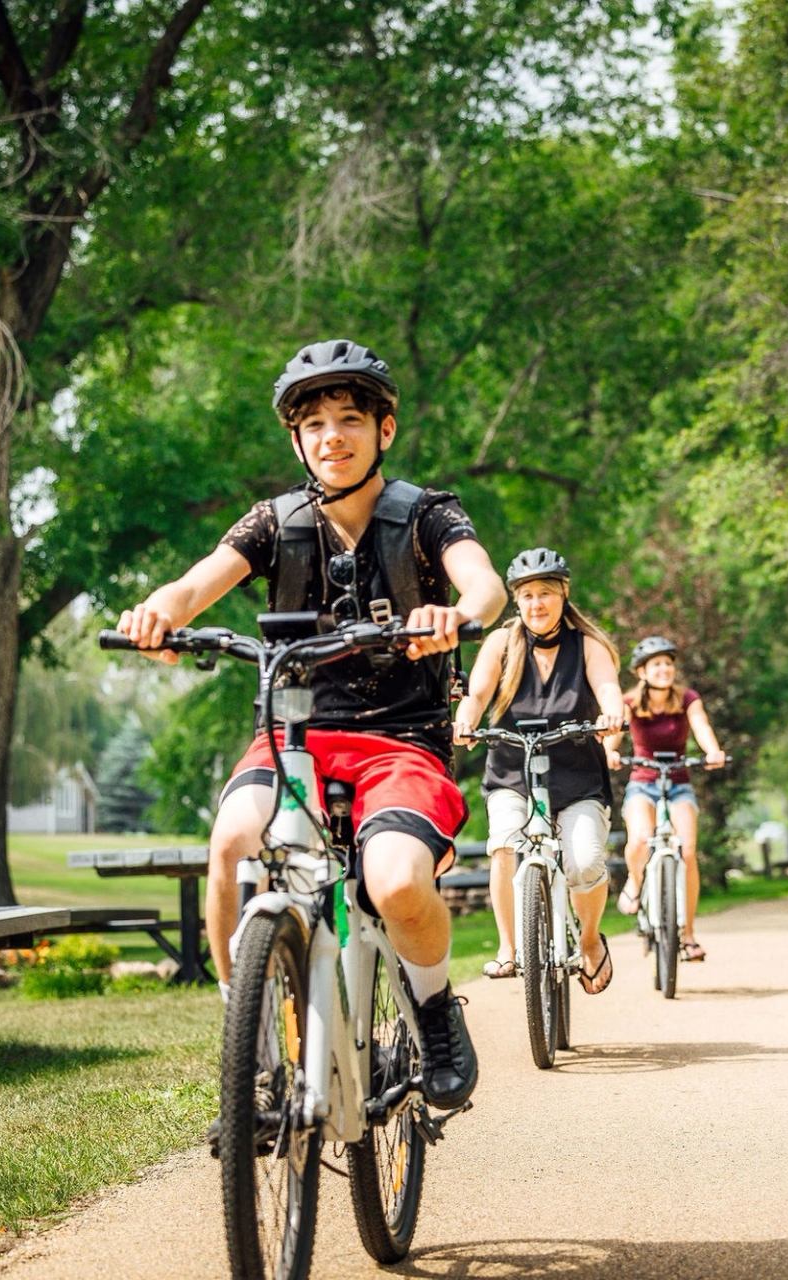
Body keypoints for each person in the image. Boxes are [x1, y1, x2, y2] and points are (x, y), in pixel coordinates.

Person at [116, 339, 505, 1108]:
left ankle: (432, 1010)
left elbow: (485, 584)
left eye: (351, 418)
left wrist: (455, 615)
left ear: (384, 430)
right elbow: (197, 583)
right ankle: (249, 1039)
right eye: (316, 423)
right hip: (293, 736)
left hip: (402, 743)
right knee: (230, 843)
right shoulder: (274, 523)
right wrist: (160, 612)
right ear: (296, 440)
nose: (333, 435)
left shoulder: (429, 514)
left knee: (394, 883)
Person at [453, 549, 626, 993]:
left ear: (563, 595)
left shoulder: (588, 645)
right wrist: (467, 720)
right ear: (516, 600)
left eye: (545, 594)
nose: (536, 604)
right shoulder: (501, 643)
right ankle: (510, 948)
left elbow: (608, 687)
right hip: (513, 770)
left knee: (584, 861)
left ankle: (588, 942)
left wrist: (611, 716)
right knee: (505, 846)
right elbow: (476, 693)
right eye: (527, 595)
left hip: (576, 775)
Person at [616, 636, 726, 961]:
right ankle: (636, 886)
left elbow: (701, 725)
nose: (664, 669)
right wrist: (610, 753)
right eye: (656, 664)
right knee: (639, 841)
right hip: (642, 782)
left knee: (688, 852)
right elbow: (616, 734)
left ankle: (688, 935)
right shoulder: (630, 703)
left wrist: (712, 751)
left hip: (678, 783)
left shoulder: (687, 698)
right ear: (642, 672)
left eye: (668, 663)